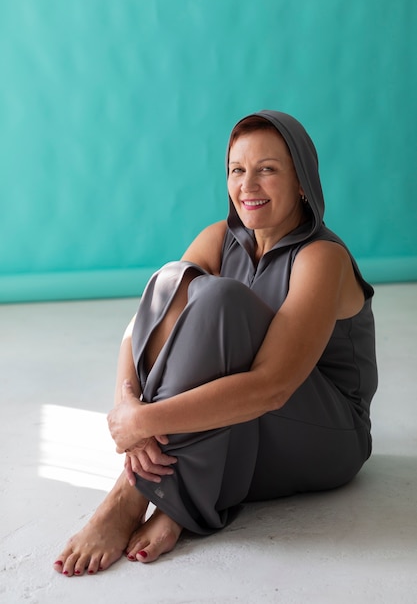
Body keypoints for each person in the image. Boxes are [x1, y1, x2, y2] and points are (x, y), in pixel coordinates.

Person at [53, 110, 377, 576]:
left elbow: (272, 388)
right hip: (245, 417)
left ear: (303, 181)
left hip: (326, 432)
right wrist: (126, 404)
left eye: (267, 169)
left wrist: (146, 420)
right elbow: (147, 323)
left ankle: (131, 495)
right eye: (237, 170)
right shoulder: (220, 237)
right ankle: (178, 498)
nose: (248, 185)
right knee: (173, 281)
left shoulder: (322, 257)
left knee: (222, 298)